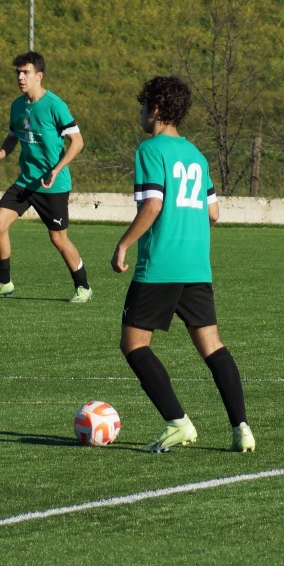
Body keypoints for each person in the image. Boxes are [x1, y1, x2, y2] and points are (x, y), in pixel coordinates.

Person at [111, 76, 256, 454]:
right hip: (196, 266)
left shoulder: (150, 150)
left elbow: (154, 205)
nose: (141, 114)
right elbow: (214, 213)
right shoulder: (196, 155)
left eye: (143, 107)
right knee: (212, 346)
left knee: (134, 344)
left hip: (160, 264)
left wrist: (124, 244)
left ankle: (178, 422)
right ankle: (241, 428)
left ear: (155, 110)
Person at [0, 50, 93, 303]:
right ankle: (3, 282)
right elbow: (13, 136)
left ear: (39, 76)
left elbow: (77, 142)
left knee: (58, 238)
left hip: (52, 184)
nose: (20, 77)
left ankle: (83, 286)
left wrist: (56, 168)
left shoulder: (55, 105)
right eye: (18, 72)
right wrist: (2, 152)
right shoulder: (17, 106)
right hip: (26, 181)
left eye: (25, 72)